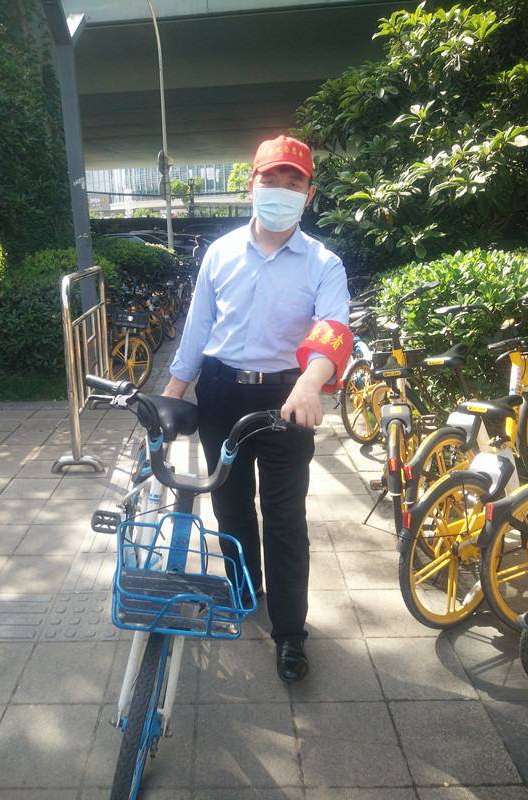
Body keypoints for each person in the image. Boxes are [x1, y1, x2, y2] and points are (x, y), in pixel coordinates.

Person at [162, 134, 352, 682]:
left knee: (285, 518)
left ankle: (290, 633)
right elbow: (198, 329)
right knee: (231, 506)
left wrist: (311, 382)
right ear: (252, 185)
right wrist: (172, 394)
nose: (281, 190)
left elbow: (333, 330)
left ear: (309, 195)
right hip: (221, 392)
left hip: (289, 398)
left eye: (294, 183)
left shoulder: (323, 264)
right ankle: (245, 592)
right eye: (271, 180)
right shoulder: (220, 254)